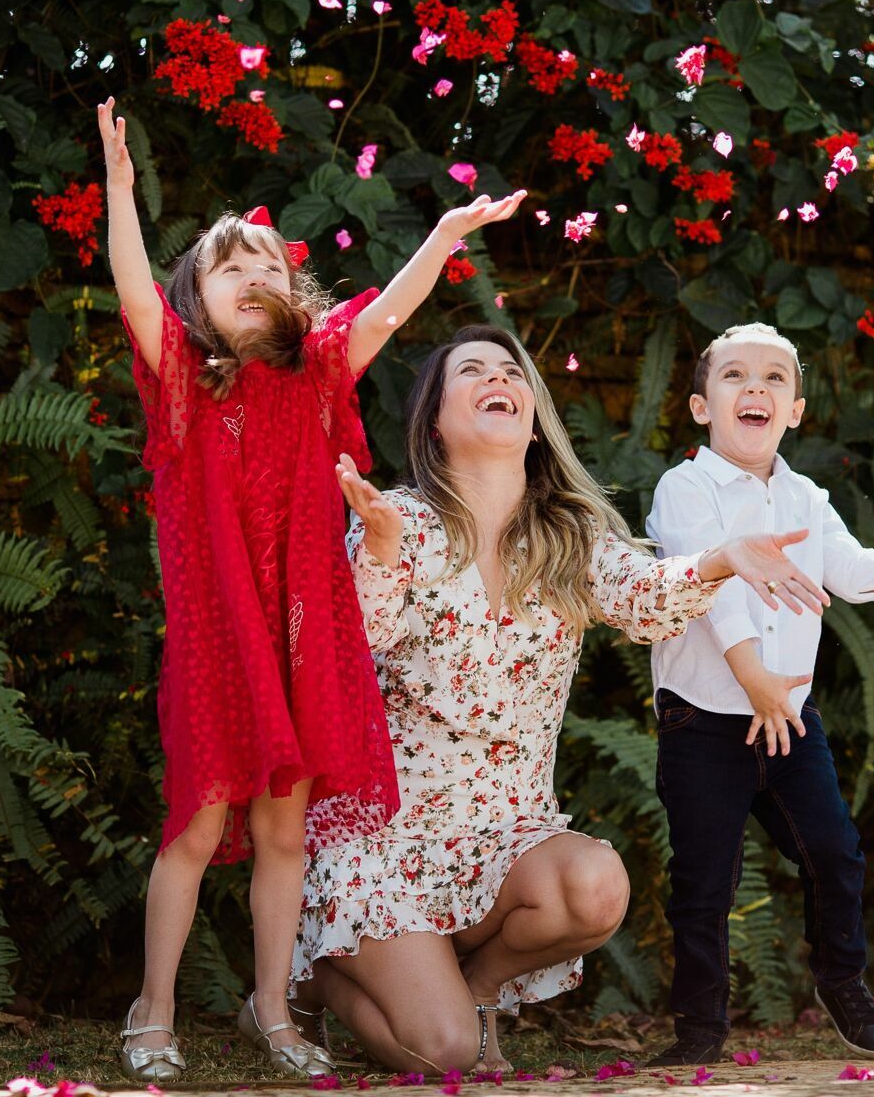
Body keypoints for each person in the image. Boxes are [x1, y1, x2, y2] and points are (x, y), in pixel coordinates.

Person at [95, 97, 526, 1080]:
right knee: (199, 821)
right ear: (195, 302)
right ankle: (150, 1005)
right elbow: (129, 293)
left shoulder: (317, 372)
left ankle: (277, 1010)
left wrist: (448, 236)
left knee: (283, 826)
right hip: (220, 634)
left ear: (294, 296)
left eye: (267, 264)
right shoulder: (183, 382)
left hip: (307, 633)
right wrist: (121, 191)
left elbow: (386, 311)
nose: (252, 274)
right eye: (228, 264)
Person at [300, 325, 832, 1074]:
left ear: (533, 409)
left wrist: (720, 561)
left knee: (594, 886)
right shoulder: (401, 520)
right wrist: (381, 551)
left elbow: (646, 600)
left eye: (512, 372)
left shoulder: (569, 535)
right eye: (474, 371)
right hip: (386, 846)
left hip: (506, 842)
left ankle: (475, 989)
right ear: (435, 418)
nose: (500, 379)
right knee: (449, 1055)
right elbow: (358, 638)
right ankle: (318, 973)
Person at [643, 322, 874, 1065]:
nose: (756, 388)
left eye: (775, 379)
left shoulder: (807, 498)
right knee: (705, 882)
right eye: (736, 376)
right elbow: (711, 592)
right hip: (705, 723)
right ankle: (699, 1031)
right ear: (700, 407)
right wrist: (753, 679)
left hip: (789, 722)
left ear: (797, 411)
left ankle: (841, 979)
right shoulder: (686, 488)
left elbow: (854, 571)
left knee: (835, 855)